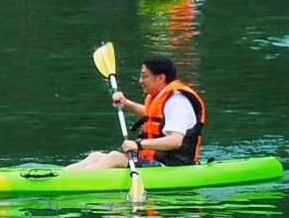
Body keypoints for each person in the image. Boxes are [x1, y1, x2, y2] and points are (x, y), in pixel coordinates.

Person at [63, 56, 205, 170]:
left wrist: (139, 144)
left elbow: (175, 141)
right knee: (95, 156)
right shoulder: (161, 98)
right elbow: (152, 117)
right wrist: (127, 104)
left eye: (145, 76)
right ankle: (61, 175)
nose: (140, 81)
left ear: (161, 78)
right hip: (155, 160)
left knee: (115, 157)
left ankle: (70, 183)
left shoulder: (177, 101)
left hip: (173, 166)